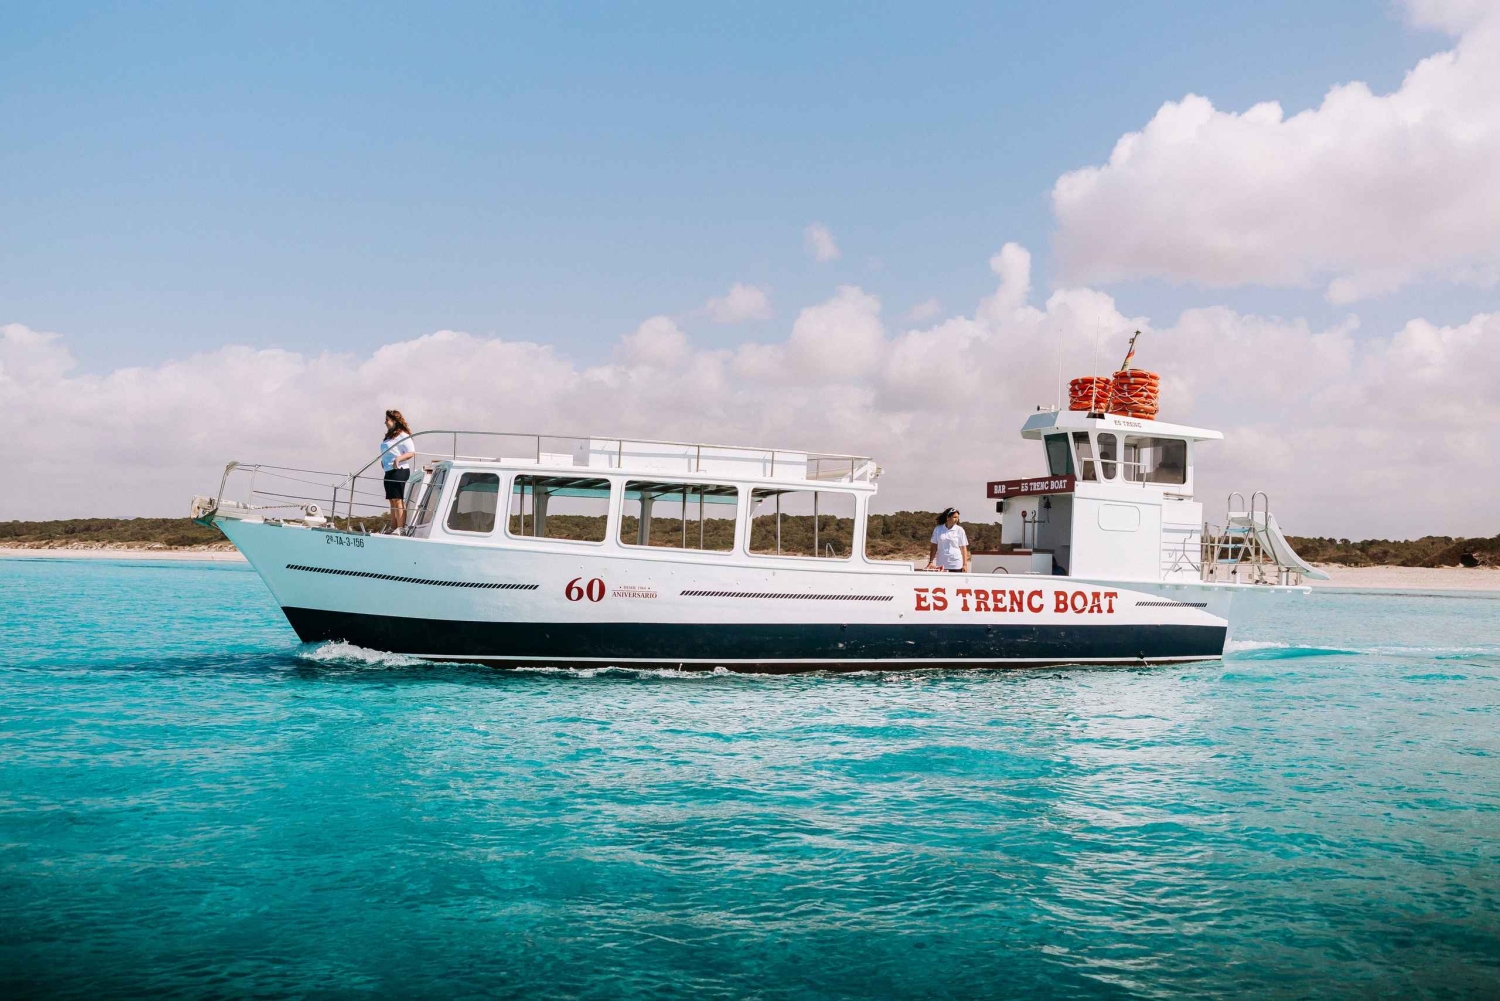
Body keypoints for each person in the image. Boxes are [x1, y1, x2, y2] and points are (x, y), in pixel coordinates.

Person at [380, 410, 417, 531]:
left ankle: (400, 529)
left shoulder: (403, 435)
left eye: (387, 420)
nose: (385, 422)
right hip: (389, 471)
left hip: (399, 470)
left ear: (394, 421)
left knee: (398, 499)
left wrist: (399, 459)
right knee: (392, 500)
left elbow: (411, 452)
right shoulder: (389, 436)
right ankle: (393, 527)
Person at [927, 507, 970, 572]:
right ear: (948, 517)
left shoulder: (960, 530)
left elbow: (963, 548)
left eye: (957, 517)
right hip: (941, 564)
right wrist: (931, 561)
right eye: (954, 517)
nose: (957, 519)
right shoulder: (938, 529)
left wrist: (965, 565)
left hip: (956, 564)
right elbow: (934, 546)